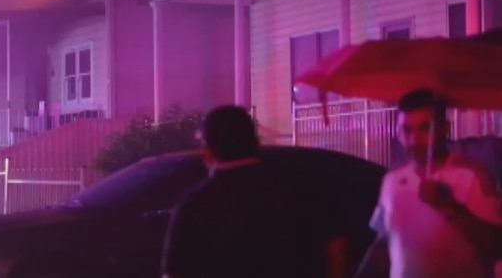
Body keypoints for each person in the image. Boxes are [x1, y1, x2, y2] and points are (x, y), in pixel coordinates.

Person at [162, 105, 349, 278]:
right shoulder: (300, 188)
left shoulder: (195, 205)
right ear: (257, 143)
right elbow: (336, 246)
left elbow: (175, 271)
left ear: (208, 152)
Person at [354, 89, 502, 278]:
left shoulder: (473, 175)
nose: (414, 141)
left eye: (425, 129)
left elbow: (497, 246)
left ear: (445, 129)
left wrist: (449, 207)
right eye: (407, 130)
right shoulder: (392, 182)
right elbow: (384, 243)